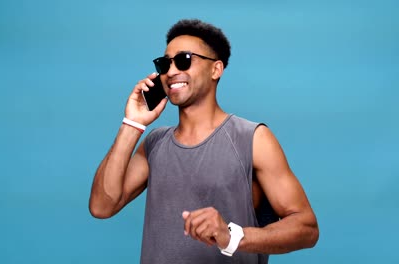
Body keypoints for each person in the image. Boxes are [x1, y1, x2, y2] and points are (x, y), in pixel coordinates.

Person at [89, 19, 319, 264]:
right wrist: (133, 123)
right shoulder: (155, 143)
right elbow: (102, 206)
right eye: (165, 63)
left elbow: (306, 228)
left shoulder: (252, 138)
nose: (172, 71)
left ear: (215, 70)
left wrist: (231, 237)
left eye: (184, 60)